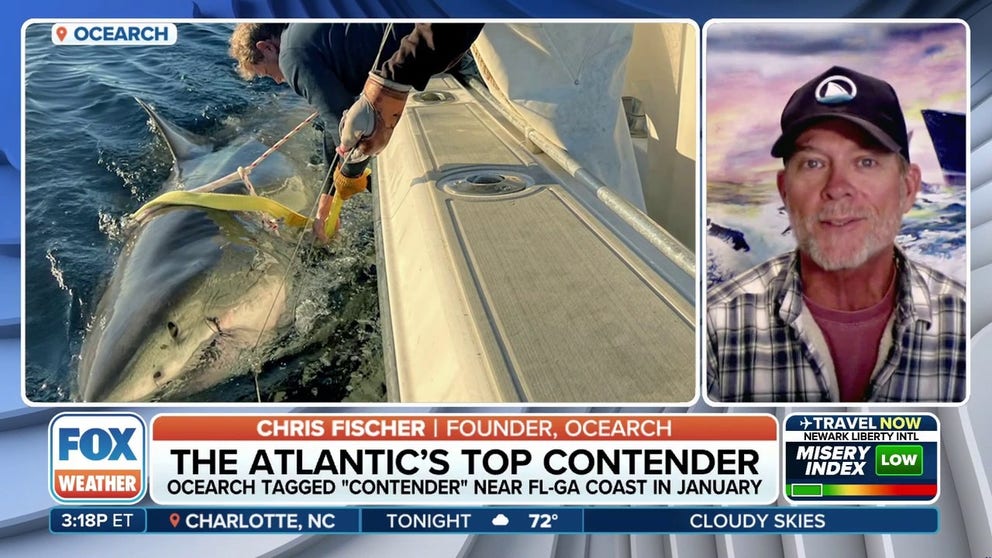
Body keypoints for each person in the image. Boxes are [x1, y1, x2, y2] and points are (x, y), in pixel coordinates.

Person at [706, 66, 966, 403]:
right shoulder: (715, 330)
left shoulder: (966, 328)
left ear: (908, 188)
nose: (837, 188)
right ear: (785, 191)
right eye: (813, 163)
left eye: (866, 162)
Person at [229, 22, 483, 239]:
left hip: (438, 48)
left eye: (266, 72)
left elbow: (348, 133)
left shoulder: (291, 57)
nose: (277, 80)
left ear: (266, 47)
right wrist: (326, 200)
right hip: (446, 48)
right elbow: (338, 123)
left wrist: (350, 176)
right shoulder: (306, 33)